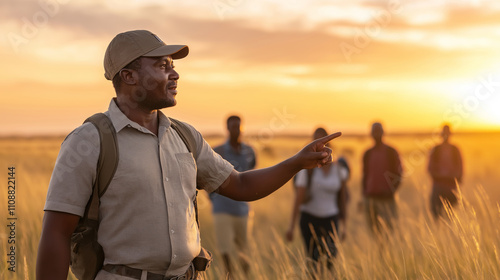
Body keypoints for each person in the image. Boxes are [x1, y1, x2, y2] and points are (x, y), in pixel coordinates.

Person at [35, 29, 341, 280]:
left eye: (173, 65)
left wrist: (297, 162)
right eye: (162, 66)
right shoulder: (88, 141)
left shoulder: (184, 136)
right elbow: (56, 234)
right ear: (129, 76)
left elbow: (241, 186)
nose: (175, 74)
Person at [286, 127, 348, 270]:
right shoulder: (307, 170)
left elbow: (342, 198)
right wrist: (291, 226)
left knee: (331, 262)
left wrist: (344, 225)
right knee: (313, 262)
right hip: (309, 220)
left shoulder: (338, 169)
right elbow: (298, 198)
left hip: (331, 219)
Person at [209, 115, 256, 275]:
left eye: (238, 126)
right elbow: (209, 179)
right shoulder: (218, 151)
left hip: (243, 210)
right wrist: (215, 200)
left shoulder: (249, 151)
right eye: (233, 126)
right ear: (227, 128)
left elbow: (251, 174)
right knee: (225, 252)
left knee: (244, 252)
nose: (236, 129)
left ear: (242, 127)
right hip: (222, 209)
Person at [361, 122, 402, 234]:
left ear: (383, 133)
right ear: (371, 134)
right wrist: (364, 196)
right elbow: (365, 176)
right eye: (374, 131)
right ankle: (379, 252)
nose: (376, 134)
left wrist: (391, 191)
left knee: (388, 231)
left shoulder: (391, 152)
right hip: (371, 199)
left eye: (379, 131)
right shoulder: (367, 153)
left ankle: (387, 251)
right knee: (374, 231)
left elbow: (398, 174)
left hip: (387, 199)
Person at [428, 124, 463, 218]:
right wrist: (440, 176)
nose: (446, 136)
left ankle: (447, 232)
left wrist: (453, 178)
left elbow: (460, 168)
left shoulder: (455, 149)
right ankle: (440, 232)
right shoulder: (435, 149)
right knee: (436, 215)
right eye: (444, 133)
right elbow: (430, 168)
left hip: (451, 187)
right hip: (438, 186)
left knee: (452, 216)